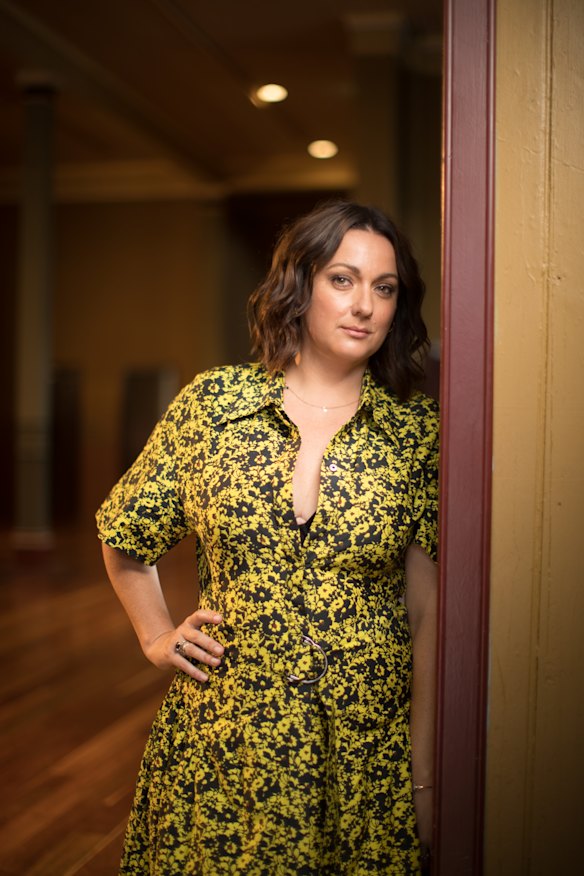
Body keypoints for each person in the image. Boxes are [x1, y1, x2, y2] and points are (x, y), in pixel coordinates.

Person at [97, 200, 439, 875]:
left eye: (384, 287)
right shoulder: (214, 406)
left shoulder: (414, 434)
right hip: (226, 747)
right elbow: (125, 532)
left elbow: (428, 618)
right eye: (343, 279)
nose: (364, 304)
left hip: (362, 757)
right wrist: (156, 637)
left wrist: (422, 778)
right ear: (301, 284)